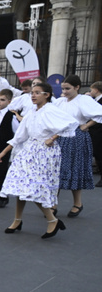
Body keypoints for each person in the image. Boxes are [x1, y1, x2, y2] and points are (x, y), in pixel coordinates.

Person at [0, 82, 77, 238]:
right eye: (32, 93)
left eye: (37, 92)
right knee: (21, 185)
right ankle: (17, 220)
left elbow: (71, 123)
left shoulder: (51, 110)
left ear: (46, 95)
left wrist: (53, 137)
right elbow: (19, 136)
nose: (33, 95)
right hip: (28, 151)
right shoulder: (31, 112)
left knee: (35, 188)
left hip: (45, 152)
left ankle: (52, 220)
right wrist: (3, 152)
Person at [54, 74, 102, 217]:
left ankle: (78, 203)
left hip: (76, 138)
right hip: (60, 137)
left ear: (77, 87)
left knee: (75, 170)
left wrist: (86, 125)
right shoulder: (60, 101)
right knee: (56, 171)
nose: (65, 92)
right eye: (63, 88)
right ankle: (53, 204)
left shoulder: (84, 100)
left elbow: (99, 113)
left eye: (68, 88)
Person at [87, 81, 102, 187]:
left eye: (92, 89)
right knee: (97, 154)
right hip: (95, 131)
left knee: (99, 154)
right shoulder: (95, 100)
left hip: (99, 131)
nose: (90, 91)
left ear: (96, 90)